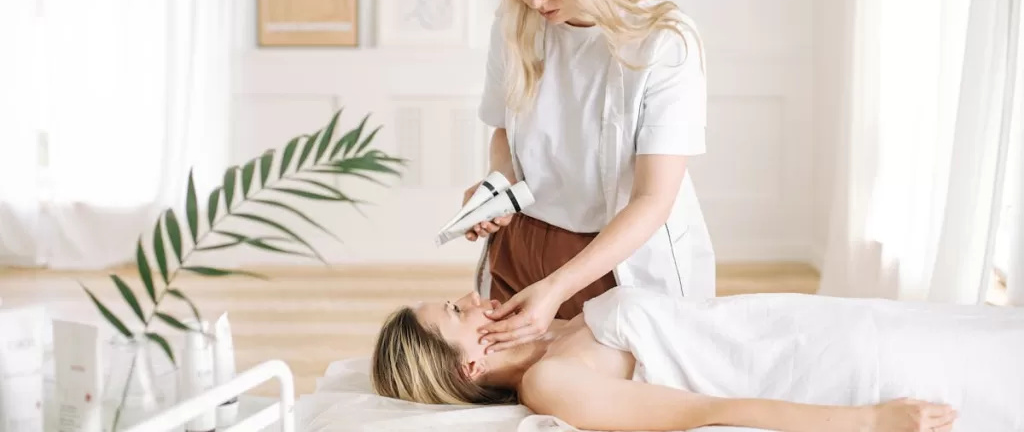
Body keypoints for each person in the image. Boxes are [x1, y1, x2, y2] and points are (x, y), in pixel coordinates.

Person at [461, 0, 716, 355]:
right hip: (521, 244)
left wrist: (558, 288)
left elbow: (654, 199)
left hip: (614, 261)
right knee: (503, 392)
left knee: (614, 398)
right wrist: (499, 190)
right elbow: (503, 130)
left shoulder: (664, 39)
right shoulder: (514, 24)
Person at [370, 286, 1024, 432]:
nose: (467, 297)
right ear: (469, 368)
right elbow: (704, 410)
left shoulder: (553, 330)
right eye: (454, 314)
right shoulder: (551, 381)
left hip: (823, 323)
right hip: (827, 369)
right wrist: (868, 422)